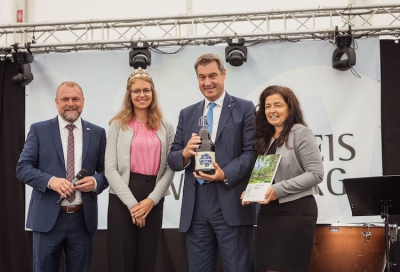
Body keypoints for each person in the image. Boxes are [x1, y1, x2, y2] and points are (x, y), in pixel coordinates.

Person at [167, 53, 257, 272]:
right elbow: (173, 158)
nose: (207, 82)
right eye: (201, 77)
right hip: (196, 205)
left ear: (224, 74)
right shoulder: (187, 114)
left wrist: (224, 174)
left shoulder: (244, 108)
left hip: (231, 201)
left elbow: (251, 153)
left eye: (213, 75)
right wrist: (186, 153)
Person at [16, 81, 108, 272]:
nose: (70, 103)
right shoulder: (39, 130)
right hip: (47, 220)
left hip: (82, 220)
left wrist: (95, 181)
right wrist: (51, 181)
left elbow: (106, 172)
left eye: (75, 99)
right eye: (65, 99)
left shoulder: (98, 133)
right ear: (56, 102)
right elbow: (23, 168)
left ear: (83, 101)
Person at [242, 85, 324, 272]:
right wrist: (252, 191)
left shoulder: (301, 132)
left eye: (277, 105)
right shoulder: (267, 137)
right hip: (268, 214)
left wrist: (276, 190)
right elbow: (266, 177)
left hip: (295, 213)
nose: (272, 111)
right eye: (267, 106)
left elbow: (316, 173)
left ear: (289, 107)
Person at [105, 67, 175, 272]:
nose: (142, 95)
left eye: (146, 90)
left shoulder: (166, 126)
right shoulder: (118, 125)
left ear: (153, 93)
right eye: (136, 91)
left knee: (147, 259)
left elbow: (170, 167)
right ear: (129, 94)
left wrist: (151, 201)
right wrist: (133, 205)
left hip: (153, 197)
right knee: (121, 260)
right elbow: (110, 168)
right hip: (122, 196)